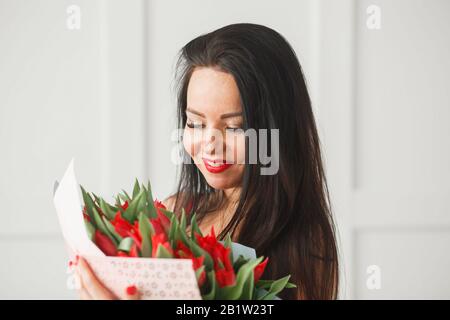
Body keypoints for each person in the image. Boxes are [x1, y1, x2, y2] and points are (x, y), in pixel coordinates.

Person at [76, 23, 339, 300]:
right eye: (196, 123)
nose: (210, 145)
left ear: (278, 130)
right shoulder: (172, 213)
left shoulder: (305, 243)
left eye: (236, 127)